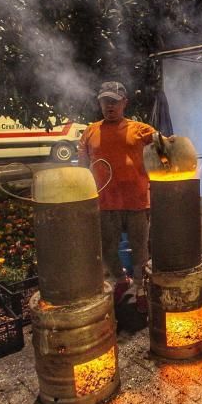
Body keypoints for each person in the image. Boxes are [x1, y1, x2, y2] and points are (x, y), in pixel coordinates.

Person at [78, 81, 158, 311]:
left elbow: (164, 149)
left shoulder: (141, 130)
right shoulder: (91, 130)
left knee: (140, 249)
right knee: (108, 249)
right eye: (105, 101)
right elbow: (82, 167)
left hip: (137, 201)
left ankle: (142, 287)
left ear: (125, 103)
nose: (109, 106)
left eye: (114, 101)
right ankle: (121, 280)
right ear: (100, 103)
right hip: (105, 202)